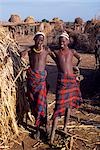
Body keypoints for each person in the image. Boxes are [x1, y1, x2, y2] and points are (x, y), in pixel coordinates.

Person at [50, 32, 82, 144]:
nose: (61, 43)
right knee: (58, 107)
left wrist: (75, 68)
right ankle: (52, 136)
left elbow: (80, 58)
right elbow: (47, 52)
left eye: (64, 41)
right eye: (60, 41)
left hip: (71, 80)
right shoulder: (56, 52)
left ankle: (65, 127)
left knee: (68, 106)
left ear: (68, 42)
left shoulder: (72, 52)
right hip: (62, 81)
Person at [26, 31, 50, 140]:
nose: (40, 42)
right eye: (38, 39)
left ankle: (45, 126)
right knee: (34, 104)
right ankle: (37, 128)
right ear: (34, 39)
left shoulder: (46, 50)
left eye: (42, 40)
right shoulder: (30, 51)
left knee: (42, 104)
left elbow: (57, 58)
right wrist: (29, 48)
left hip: (41, 82)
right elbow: (21, 54)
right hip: (32, 82)